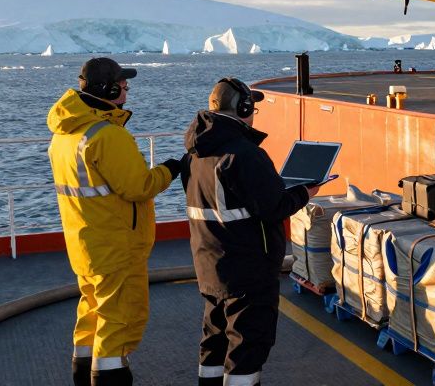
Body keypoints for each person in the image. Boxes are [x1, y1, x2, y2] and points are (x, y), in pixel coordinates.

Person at [47, 57, 181, 386]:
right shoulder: (108, 136)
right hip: (117, 246)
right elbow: (140, 187)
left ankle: (82, 373)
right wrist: (172, 168)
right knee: (120, 319)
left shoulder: (65, 134)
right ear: (108, 89)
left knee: (92, 311)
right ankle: (109, 376)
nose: (127, 89)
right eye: (123, 84)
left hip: (84, 244)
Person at [184, 77, 321, 386]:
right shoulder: (245, 155)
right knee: (247, 348)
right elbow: (274, 206)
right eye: (252, 106)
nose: (254, 111)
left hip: (210, 266)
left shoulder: (194, 152)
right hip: (248, 271)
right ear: (243, 108)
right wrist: (305, 194)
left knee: (214, 342)